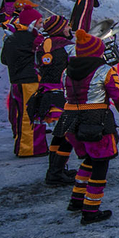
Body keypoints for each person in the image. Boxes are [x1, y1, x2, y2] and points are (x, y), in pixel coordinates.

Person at [58, 29, 119, 224]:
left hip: (70, 119)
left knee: (88, 159)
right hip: (95, 119)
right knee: (100, 164)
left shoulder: (66, 70)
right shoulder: (104, 71)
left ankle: (77, 200)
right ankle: (91, 209)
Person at [32, 15, 77, 185]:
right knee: (67, 135)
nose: (69, 29)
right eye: (66, 26)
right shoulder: (68, 47)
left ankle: (56, 169)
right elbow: (76, 70)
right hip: (63, 95)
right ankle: (55, 173)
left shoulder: (43, 45)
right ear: (59, 28)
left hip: (46, 95)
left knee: (59, 134)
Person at [1, 6, 49, 157]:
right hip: (30, 81)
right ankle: (29, 148)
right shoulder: (34, 39)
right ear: (32, 22)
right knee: (31, 114)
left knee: (18, 114)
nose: (41, 26)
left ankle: (23, 144)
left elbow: (4, 60)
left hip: (16, 82)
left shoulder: (10, 38)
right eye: (39, 22)